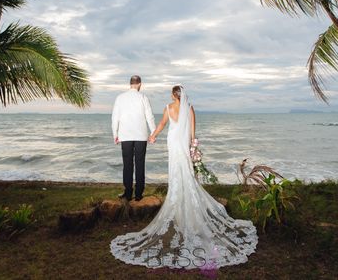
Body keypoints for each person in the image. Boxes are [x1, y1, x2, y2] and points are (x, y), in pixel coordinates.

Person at [110, 85, 257, 269]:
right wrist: (193, 145)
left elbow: (163, 124)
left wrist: (153, 135)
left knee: (177, 171)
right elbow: (193, 128)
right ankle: (184, 201)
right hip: (183, 142)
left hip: (173, 141)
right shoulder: (190, 108)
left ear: (173, 95)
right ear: (184, 95)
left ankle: (178, 201)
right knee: (186, 171)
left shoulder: (168, 107)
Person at [111, 75, 156, 201]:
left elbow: (115, 117)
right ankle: (139, 194)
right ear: (140, 84)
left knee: (127, 164)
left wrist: (115, 134)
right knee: (140, 164)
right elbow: (150, 116)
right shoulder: (143, 97)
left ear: (130, 84)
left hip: (125, 135)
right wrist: (153, 133)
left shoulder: (120, 98)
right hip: (141, 135)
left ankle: (128, 193)